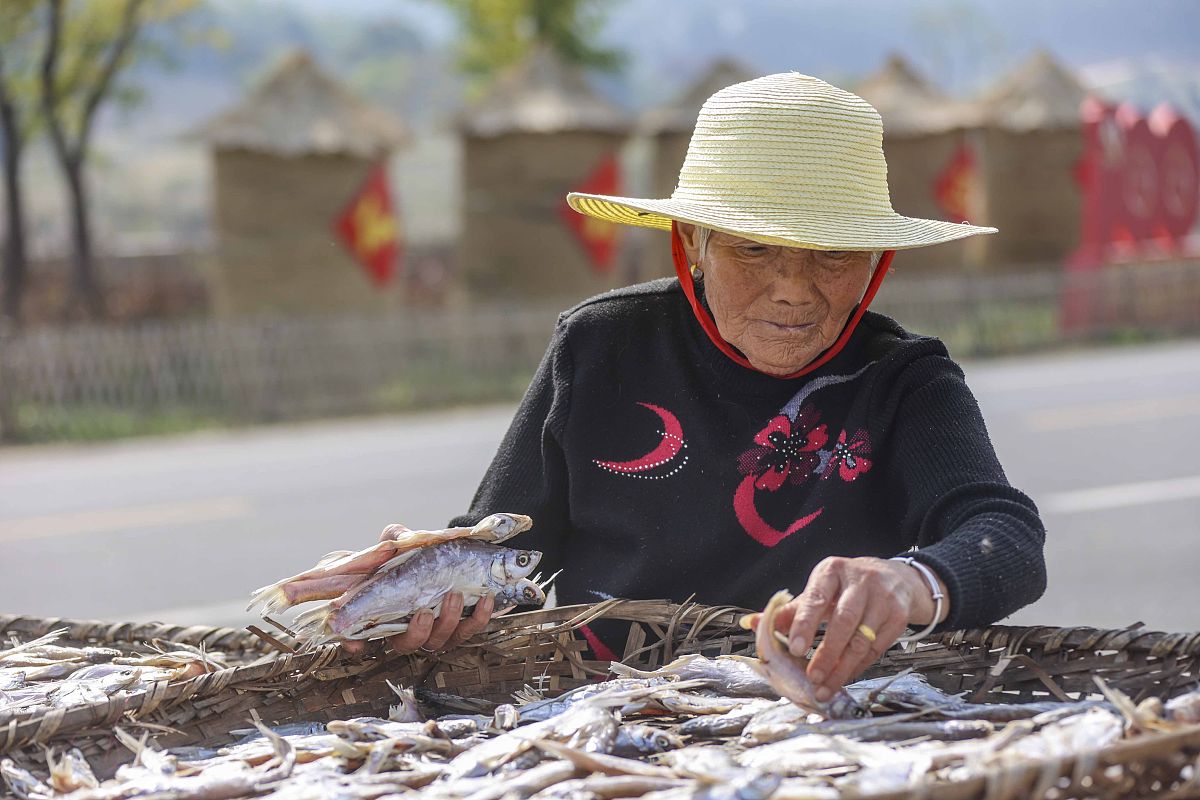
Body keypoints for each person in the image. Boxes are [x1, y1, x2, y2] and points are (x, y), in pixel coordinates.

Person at [373, 72, 1047, 704]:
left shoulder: (903, 379)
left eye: (833, 253)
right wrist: (430, 585)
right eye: (753, 248)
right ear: (693, 241)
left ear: (877, 259)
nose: (794, 289)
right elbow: (501, 547)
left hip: (806, 711)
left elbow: (1005, 537)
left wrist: (910, 582)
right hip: (607, 706)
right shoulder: (601, 345)